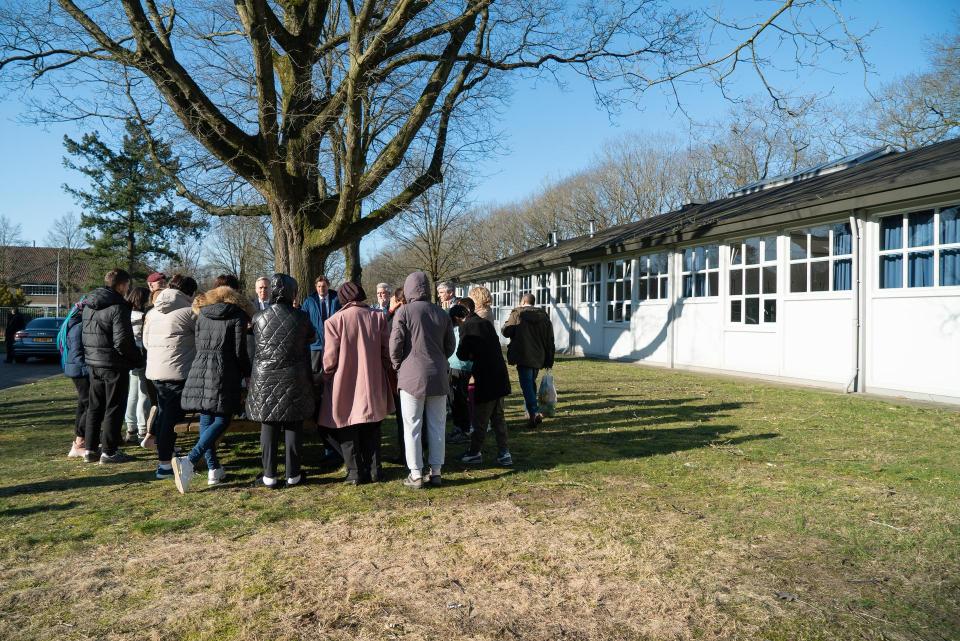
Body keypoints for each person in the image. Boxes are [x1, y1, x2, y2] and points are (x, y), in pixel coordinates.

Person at [171, 274, 253, 493]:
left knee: (207, 417)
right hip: (225, 369)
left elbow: (198, 343)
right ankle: (189, 460)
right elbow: (239, 350)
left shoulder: (203, 314)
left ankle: (213, 469)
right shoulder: (237, 315)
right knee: (223, 419)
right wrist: (247, 372)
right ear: (235, 292)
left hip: (201, 366)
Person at [319, 282, 394, 484]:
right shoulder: (378, 318)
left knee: (346, 425)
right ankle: (375, 471)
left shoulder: (334, 321)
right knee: (372, 425)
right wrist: (383, 369)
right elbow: (387, 353)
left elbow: (330, 360)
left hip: (344, 381)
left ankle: (355, 473)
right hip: (372, 379)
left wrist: (325, 376)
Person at [246, 274, 315, 488]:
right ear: (292, 292)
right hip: (293, 377)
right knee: (293, 423)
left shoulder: (258, 317)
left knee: (269, 424)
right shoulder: (301, 317)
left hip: (265, 377)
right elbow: (311, 337)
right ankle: (293, 475)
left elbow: (253, 343)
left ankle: (269, 475)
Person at [390, 271, 455, 489]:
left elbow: (395, 345)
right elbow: (450, 346)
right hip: (438, 374)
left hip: (411, 376)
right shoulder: (441, 313)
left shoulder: (404, 312)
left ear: (408, 289)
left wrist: (398, 366)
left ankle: (416, 474)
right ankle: (436, 471)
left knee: (412, 426)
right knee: (438, 425)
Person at [80, 268, 142, 463]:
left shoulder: (89, 305)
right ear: (122, 285)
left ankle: (90, 449)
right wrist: (137, 359)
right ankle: (109, 451)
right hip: (113, 364)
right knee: (114, 406)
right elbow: (122, 341)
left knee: (95, 406)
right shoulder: (118, 306)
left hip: (93, 362)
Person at [143, 275, 198, 479]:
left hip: (156, 372)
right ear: (190, 293)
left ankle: (163, 451)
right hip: (179, 372)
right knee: (170, 419)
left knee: (164, 412)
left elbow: (147, 343)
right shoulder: (190, 313)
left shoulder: (151, 312)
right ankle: (164, 463)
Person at [457, 301, 513, 466]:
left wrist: (471, 355)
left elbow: (462, 354)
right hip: (500, 376)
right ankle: (504, 452)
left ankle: (474, 451)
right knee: (498, 417)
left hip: (485, 377)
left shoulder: (467, 327)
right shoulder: (486, 324)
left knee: (481, 419)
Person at [501, 293, 555, 427]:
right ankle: (531, 411)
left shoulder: (517, 313)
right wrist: (549, 360)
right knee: (530, 383)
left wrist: (506, 324)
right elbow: (550, 340)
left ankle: (534, 413)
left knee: (527, 386)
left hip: (523, 355)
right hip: (538, 356)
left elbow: (506, 332)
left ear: (523, 301)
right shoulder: (544, 316)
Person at [300, 275, 340, 424]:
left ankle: (332, 409)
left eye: (323, 286)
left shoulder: (337, 300)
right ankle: (315, 412)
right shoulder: (310, 301)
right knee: (315, 378)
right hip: (315, 346)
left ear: (328, 286)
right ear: (315, 287)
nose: (321, 289)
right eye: (318, 287)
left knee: (332, 376)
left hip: (333, 345)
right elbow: (303, 320)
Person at [57, 301, 89, 458]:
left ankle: (81, 440)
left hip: (76, 370)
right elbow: (78, 354)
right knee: (90, 405)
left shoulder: (73, 324)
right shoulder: (79, 327)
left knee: (83, 405)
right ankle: (79, 442)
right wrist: (88, 370)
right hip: (80, 371)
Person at [123, 286, 151, 444]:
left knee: (132, 394)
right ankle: (142, 428)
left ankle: (131, 427)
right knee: (143, 394)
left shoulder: (126, 315)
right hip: (142, 356)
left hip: (129, 357)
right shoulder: (144, 317)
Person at [446, 304, 473, 444]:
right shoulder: (467, 327)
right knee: (457, 398)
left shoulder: (458, 329)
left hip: (457, 365)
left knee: (457, 398)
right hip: (461, 365)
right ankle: (461, 427)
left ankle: (463, 428)